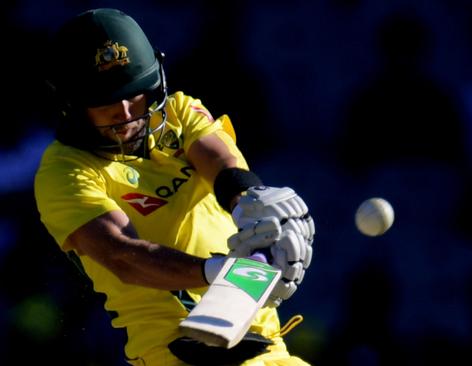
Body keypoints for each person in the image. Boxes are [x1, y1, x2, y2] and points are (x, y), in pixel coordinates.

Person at [34, 8, 314, 366]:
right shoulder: (64, 170)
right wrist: (216, 272)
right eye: (105, 102)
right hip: (177, 351)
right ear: (71, 105)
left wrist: (252, 207)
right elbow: (121, 254)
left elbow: (221, 162)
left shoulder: (180, 112)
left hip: (267, 344)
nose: (124, 111)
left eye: (135, 93)